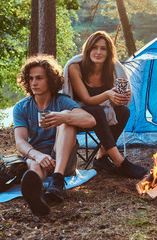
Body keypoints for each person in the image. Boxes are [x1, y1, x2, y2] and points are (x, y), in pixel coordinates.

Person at [13, 54, 96, 216]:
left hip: (63, 159)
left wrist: (63, 117)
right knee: (34, 166)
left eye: (39, 78)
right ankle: (36, 196)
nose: (34, 83)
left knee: (66, 118)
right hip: (38, 157)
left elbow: (90, 120)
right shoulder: (21, 107)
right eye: (30, 79)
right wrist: (37, 156)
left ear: (50, 79)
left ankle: (57, 181)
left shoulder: (62, 101)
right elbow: (20, 142)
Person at [64, 31, 147, 179]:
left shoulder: (111, 69)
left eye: (103, 48)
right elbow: (87, 100)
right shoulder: (75, 67)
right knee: (95, 110)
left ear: (109, 52)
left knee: (123, 111)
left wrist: (118, 99)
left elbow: (110, 103)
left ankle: (101, 158)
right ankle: (120, 162)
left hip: (99, 115)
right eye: (94, 48)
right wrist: (109, 94)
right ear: (87, 49)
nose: (98, 52)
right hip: (77, 116)